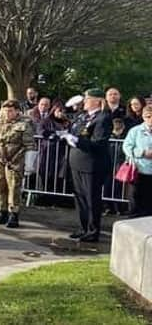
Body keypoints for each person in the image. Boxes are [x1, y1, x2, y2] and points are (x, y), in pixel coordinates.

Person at [61, 88, 112, 242]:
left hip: (91, 164)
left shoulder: (102, 118)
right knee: (80, 198)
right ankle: (83, 227)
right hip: (77, 162)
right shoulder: (83, 117)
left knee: (91, 198)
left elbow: (98, 143)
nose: (84, 101)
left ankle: (93, 230)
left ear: (97, 100)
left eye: (87, 99)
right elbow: (72, 125)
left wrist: (77, 141)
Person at [0, 100, 36, 228]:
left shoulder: (24, 125)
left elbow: (30, 145)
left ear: (17, 111)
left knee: (14, 188)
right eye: (5, 110)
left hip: (14, 161)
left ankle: (13, 214)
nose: (7, 113)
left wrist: (29, 164)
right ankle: (2, 212)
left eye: (10, 111)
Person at [122, 105, 152, 218]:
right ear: (143, 117)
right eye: (148, 116)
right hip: (138, 169)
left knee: (149, 202)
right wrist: (142, 153)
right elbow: (127, 147)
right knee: (135, 198)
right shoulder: (135, 131)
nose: (151, 120)